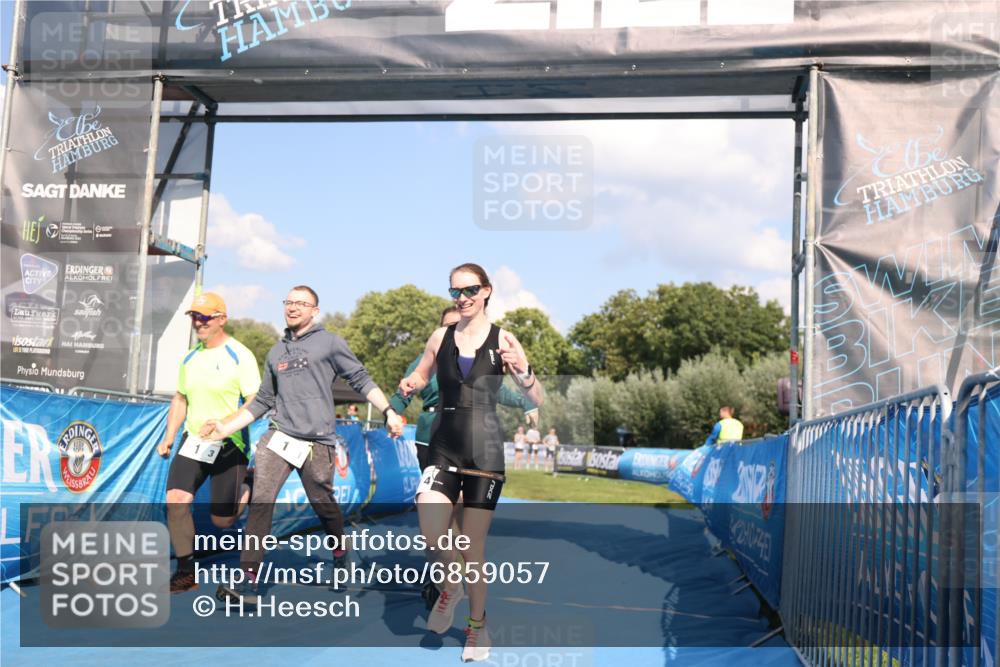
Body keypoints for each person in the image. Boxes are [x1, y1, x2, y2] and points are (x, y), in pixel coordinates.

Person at [203, 285, 404, 604]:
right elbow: (263, 401)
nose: (293, 307)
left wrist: (389, 411)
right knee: (262, 500)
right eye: (289, 302)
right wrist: (224, 428)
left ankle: (340, 550)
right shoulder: (275, 352)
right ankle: (248, 581)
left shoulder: (330, 342)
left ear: (315, 311)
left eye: (301, 303)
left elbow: (361, 379)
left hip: (317, 441)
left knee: (322, 503)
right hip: (279, 436)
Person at [399, 263, 543, 662]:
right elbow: (421, 375)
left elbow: (535, 398)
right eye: (455, 291)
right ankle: (452, 586)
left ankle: (477, 628)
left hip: (484, 454)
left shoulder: (504, 339)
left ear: (487, 291)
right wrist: (411, 384)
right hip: (443, 447)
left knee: (471, 548)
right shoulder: (440, 336)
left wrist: (524, 370)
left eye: (469, 290)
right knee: (432, 534)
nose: (462, 298)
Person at [156, 292, 261, 594]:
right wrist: (169, 437)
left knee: (223, 521)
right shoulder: (190, 358)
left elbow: (255, 401)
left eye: (205, 317)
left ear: (222, 319)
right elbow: (180, 399)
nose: (198, 323)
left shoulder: (240, 355)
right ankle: (186, 572)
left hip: (230, 444)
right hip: (194, 441)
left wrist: (225, 425)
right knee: (176, 500)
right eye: (194, 317)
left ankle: (247, 487)